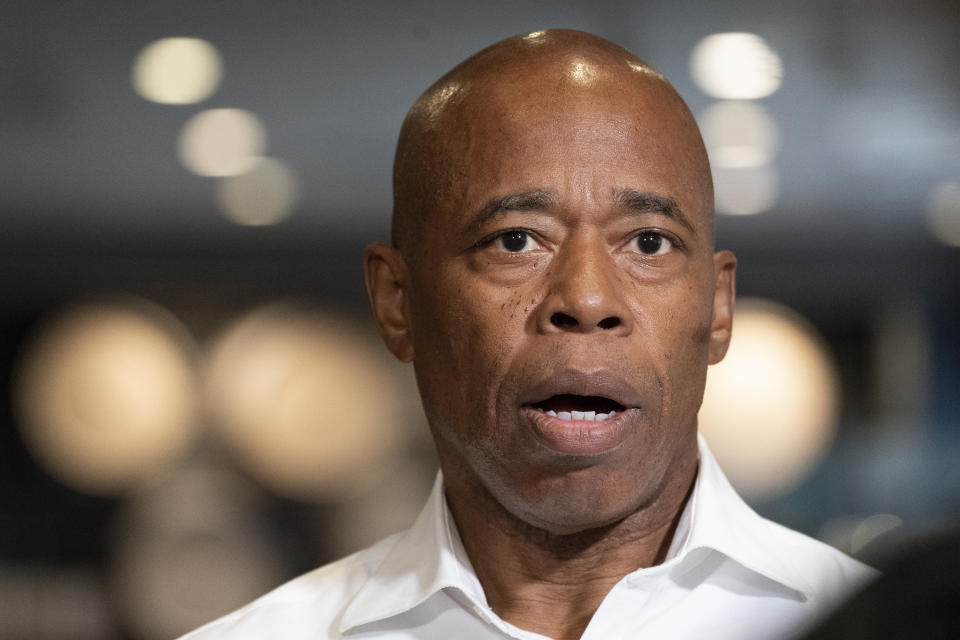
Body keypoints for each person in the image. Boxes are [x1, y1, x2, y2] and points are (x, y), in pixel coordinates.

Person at [181, 29, 876, 640]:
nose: (587, 299)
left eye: (650, 242)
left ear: (718, 307)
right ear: (397, 300)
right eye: (516, 240)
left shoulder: (867, 622)